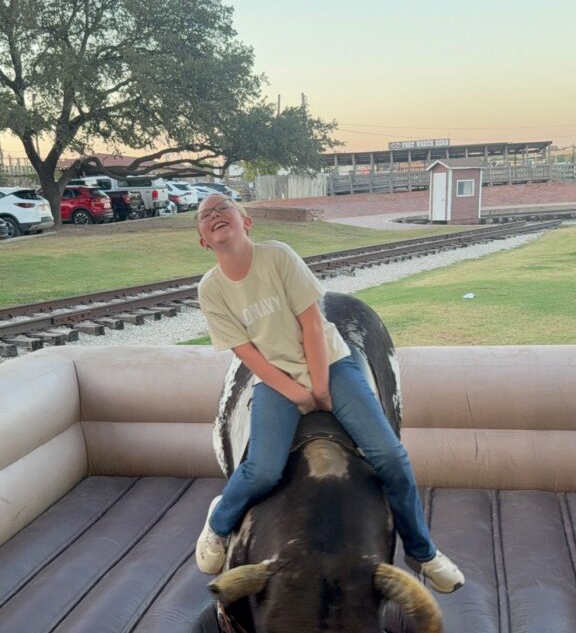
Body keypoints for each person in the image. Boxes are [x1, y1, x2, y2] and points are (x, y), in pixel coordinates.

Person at [195, 193, 464, 594]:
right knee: (262, 470)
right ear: (203, 240)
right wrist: (299, 395)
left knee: (390, 456)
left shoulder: (278, 257)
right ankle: (218, 522)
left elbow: (313, 325)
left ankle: (422, 551)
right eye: (206, 215)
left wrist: (320, 388)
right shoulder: (211, 289)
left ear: (246, 222)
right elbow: (247, 354)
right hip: (276, 378)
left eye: (224, 209)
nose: (216, 215)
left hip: (332, 364)